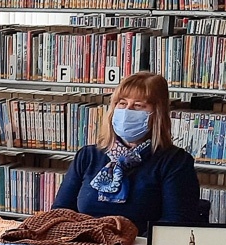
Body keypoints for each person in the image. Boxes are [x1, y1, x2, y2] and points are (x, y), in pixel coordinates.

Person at [52, 71, 200, 235]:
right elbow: (60, 213)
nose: (127, 110)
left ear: (156, 113)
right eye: (121, 103)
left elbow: (174, 225)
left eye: (139, 105)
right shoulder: (88, 156)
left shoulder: (175, 162)